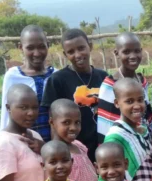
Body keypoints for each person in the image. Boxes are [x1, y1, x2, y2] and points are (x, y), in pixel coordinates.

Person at [41, 29, 108, 161]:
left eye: (81, 48)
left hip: (103, 149)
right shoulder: (57, 80)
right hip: (75, 152)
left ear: (90, 46)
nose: (77, 55)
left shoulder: (103, 77)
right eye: (71, 52)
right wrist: (60, 156)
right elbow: (53, 123)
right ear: (65, 54)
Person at [0, 25, 54, 139]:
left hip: (55, 147)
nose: (37, 53)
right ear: (21, 47)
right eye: (30, 48)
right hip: (25, 143)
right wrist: (4, 139)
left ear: (47, 46)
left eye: (41, 47)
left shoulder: (56, 76)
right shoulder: (13, 76)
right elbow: (6, 114)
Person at [102, 79, 152, 181]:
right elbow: (109, 177)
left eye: (140, 100)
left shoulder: (144, 130)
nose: (137, 106)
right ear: (116, 103)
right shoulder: (115, 137)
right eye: (129, 101)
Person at [97, 32, 152, 137]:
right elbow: (106, 126)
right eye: (126, 52)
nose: (132, 56)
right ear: (117, 53)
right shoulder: (110, 85)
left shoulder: (141, 81)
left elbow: (147, 118)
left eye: (137, 51)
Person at [50, 99, 99, 181]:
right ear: (52, 122)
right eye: (66, 122)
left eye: (77, 122)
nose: (73, 127)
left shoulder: (79, 145)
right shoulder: (53, 154)